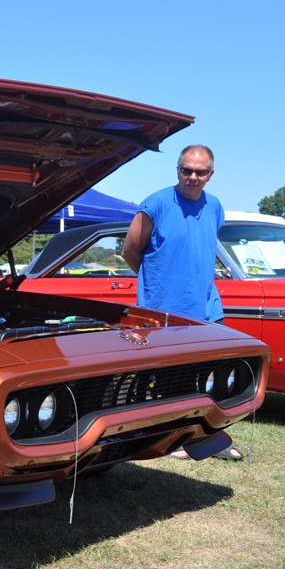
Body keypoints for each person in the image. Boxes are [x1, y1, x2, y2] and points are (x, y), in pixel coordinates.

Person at [122, 144, 243, 461]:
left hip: (206, 306)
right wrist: (158, 282)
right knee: (170, 381)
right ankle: (172, 441)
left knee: (212, 374)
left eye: (200, 171)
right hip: (164, 309)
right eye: (186, 170)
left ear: (210, 174)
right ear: (177, 170)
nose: (192, 176)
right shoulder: (157, 204)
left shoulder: (215, 206)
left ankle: (208, 438)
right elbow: (130, 251)